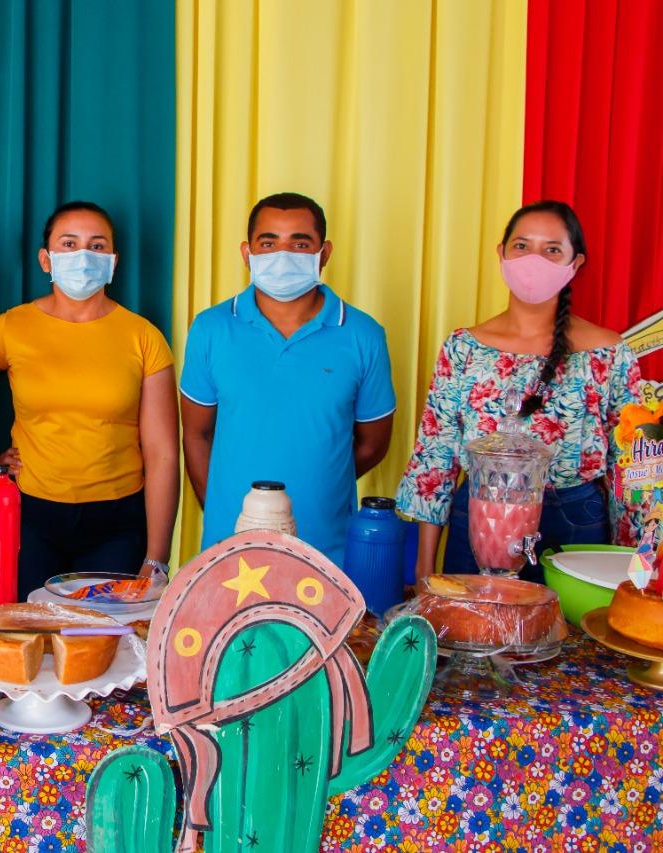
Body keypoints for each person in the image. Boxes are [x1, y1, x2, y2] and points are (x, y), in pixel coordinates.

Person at [397, 200, 642, 581]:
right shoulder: (464, 348)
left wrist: (634, 569)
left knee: (570, 638)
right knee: (475, 633)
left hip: (574, 523)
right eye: (522, 246)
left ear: (575, 264)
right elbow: (436, 458)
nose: (534, 259)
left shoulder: (609, 354)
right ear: (502, 254)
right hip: (479, 516)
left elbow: (631, 471)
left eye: (552, 250)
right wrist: (425, 568)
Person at [0, 201, 179, 598]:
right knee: (30, 638)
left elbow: (163, 453)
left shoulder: (143, 336)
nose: (83, 256)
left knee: (102, 644)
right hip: (30, 516)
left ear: (113, 261)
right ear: (45, 260)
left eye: (97, 245)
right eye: (69, 244)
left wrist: (157, 557)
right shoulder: (9, 328)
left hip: (117, 521)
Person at [180, 192, 395, 567]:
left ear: (323, 253)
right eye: (269, 242)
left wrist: (320, 479)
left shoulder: (363, 335)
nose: (283, 255)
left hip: (328, 554)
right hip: (230, 551)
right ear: (247, 253)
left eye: (300, 243)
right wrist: (221, 503)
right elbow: (196, 435)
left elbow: (373, 443)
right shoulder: (210, 329)